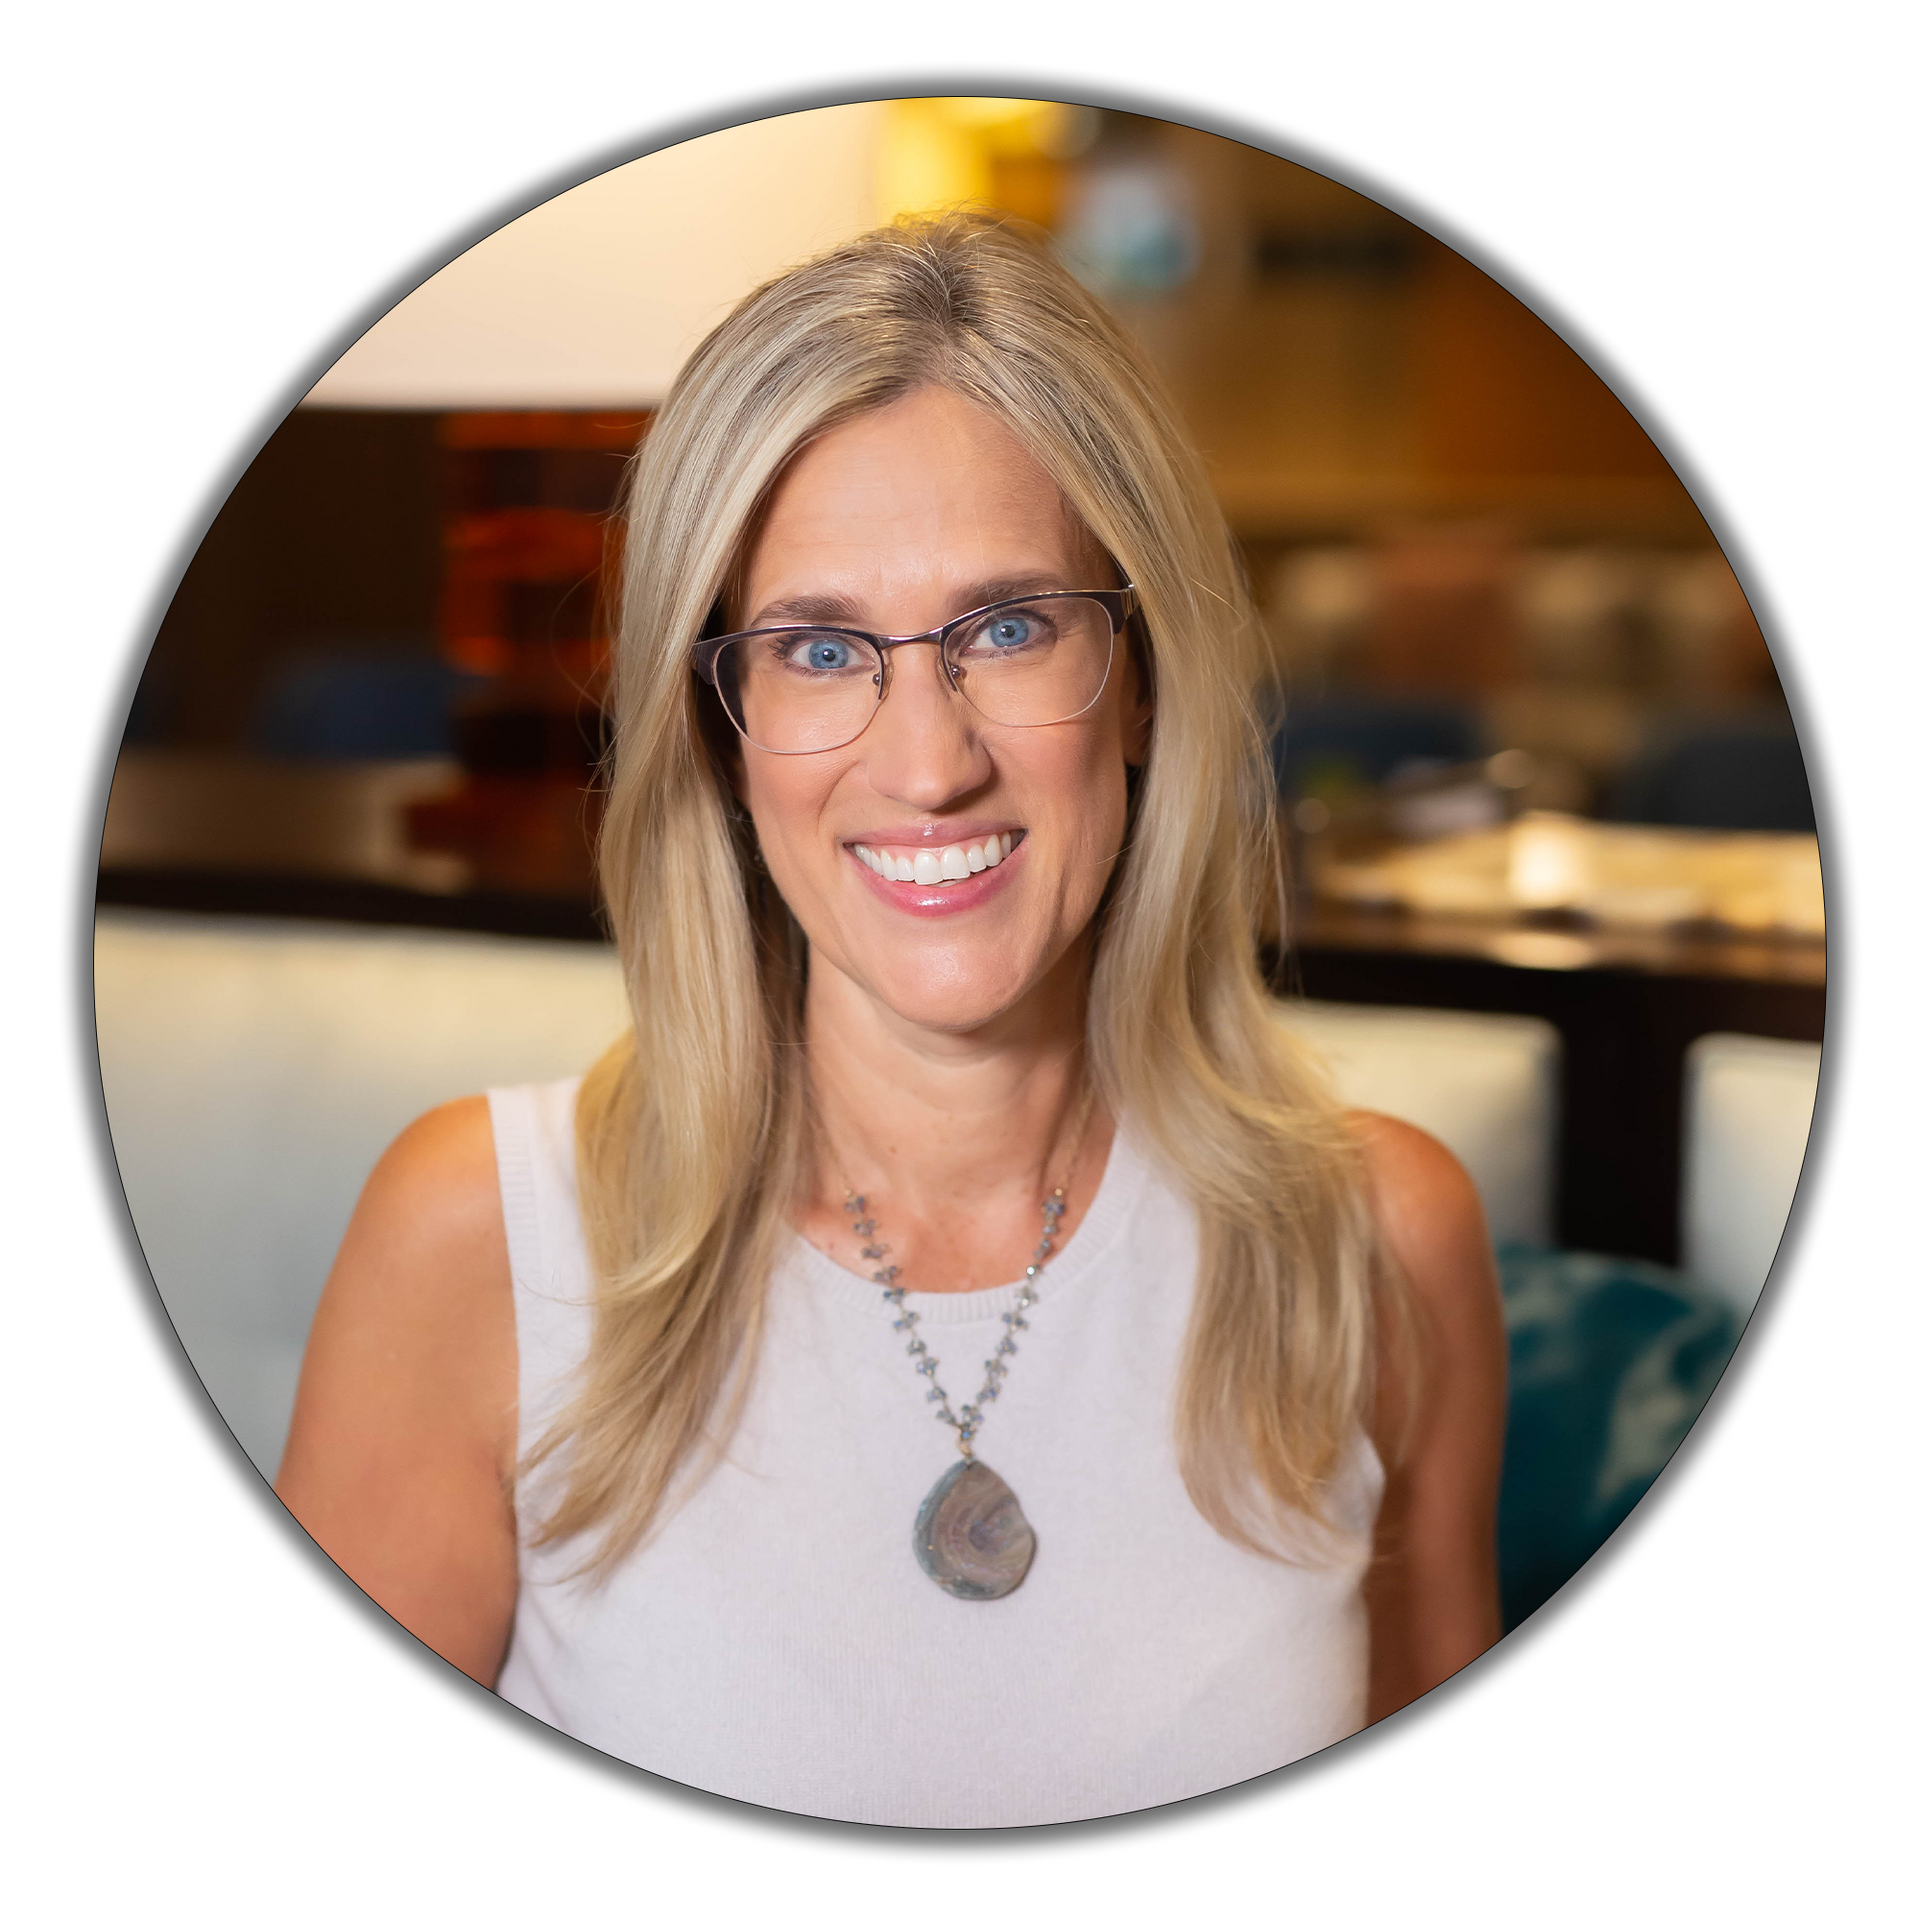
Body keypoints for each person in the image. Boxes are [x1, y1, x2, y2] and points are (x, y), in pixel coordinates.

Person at [277, 213, 1506, 1826]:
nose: (927, 763)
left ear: (1139, 678)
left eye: (1008, 627)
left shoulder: (1383, 1239)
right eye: (820, 648)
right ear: (719, 734)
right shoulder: (481, 1236)